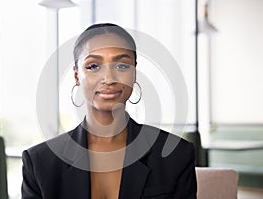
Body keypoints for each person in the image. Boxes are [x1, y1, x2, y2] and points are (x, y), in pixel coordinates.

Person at [22, 23, 197, 199]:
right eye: (93, 66)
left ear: (134, 73)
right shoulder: (39, 163)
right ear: (77, 76)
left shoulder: (176, 155)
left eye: (121, 66)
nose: (109, 79)